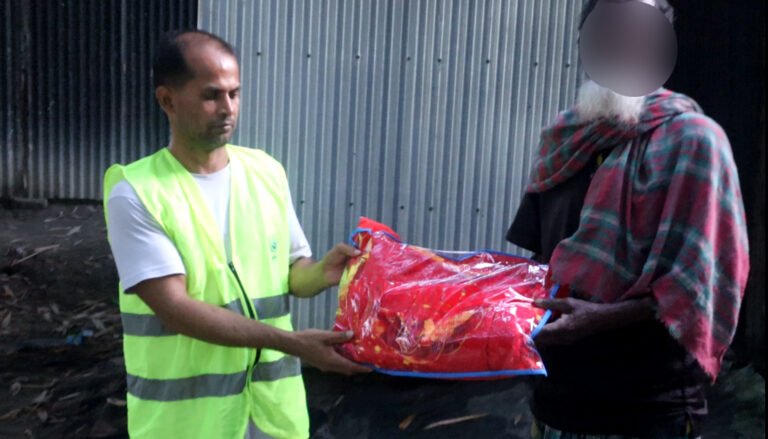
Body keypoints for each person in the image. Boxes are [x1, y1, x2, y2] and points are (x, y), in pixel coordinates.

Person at [103, 29, 369, 439]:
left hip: (273, 417)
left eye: (235, 93)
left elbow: (291, 274)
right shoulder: (137, 192)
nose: (227, 108)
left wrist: (322, 273)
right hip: (186, 426)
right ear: (167, 100)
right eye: (211, 95)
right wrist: (292, 343)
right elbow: (175, 309)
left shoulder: (265, 172)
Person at [505, 1, 750, 438]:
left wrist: (602, 317)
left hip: (647, 411)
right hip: (555, 403)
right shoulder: (563, 138)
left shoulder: (696, 142)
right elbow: (542, 263)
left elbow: (702, 285)